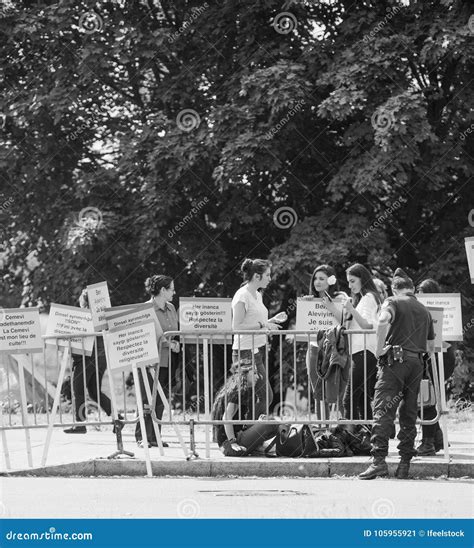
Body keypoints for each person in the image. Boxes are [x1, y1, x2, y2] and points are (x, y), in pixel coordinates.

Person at [359, 268, 435, 480]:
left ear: (394, 288)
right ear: (412, 289)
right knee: (409, 413)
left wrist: (379, 348)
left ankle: (379, 461)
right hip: (416, 364)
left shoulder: (392, 301)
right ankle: (404, 465)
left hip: (394, 362)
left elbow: (383, 321)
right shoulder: (424, 310)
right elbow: (430, 345)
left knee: (383, 409)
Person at [231, 258, 287, 412]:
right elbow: (237, 327)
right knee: (264, 396)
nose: (270, 278)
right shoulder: (242, 295)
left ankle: (242, 431)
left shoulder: (257, 294)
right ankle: (252, 433)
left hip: (258, 349)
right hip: (245, 352)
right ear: (257, 276)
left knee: (245, 398)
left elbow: (255, 323)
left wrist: (269, 322)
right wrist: (263, 325)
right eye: (268, 275)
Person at [135, 275, 180, 448]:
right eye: (171, 289)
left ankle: (155, 436)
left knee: (161, 399)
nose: (174, 292)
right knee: (147, 399)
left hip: (167, 360)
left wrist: (174, 343)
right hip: (148, 361)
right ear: (162, 290)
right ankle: (142, 437)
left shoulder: (171, 308)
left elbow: (173, 333)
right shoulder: (146, 309)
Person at [415, 278, 456, 456]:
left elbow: (445, 339)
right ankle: (437, 438)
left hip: (439, 358)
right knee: (426, 398)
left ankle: (428, 442)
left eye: (424, 295)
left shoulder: (441, 310)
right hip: (430, 357)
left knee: (427, 398)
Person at [64, 289, 112, 434]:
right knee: (94, 392)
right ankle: (118, 418)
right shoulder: (102, 317)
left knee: (78, 390)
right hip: (100, 358)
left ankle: (80, 424)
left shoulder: (84, 317)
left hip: (86, 359)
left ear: (84, 301)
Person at [302, 264, 348, 418]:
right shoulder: (310, 299)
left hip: (334, 350)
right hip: (315, 349)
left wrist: (330, 306)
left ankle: (346, 430)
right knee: (318, 393)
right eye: (315, 278)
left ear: (331, 280)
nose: (317, 282)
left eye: (321, 278)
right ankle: (322, 431)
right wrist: (306, 304)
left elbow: (345, 321)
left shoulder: (340, 297)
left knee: (339, 390)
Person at [212, 363, 279, 456]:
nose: (258, 377)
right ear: (244, 374)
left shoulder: (244, 389)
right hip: (229, 445)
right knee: (271, 424)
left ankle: (255, 447)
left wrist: (257, 423)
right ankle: (254, 447)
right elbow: (226, 416)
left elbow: (240, 424)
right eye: (254, 373)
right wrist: (232, 442)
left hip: (237, 438)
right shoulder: (238, 390)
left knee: (275, 424)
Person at [343, 264, 382, 422]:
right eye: (349, 282)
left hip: (364, 352)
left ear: (362, 279)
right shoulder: (368, 297)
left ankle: (349, 437)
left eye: (352, 281)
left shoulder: (367, 298)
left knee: (349, 399)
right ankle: (367, 436)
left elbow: (367, 325)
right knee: (361, 398)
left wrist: (351, 310)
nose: (350, 285)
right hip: (364, 352)